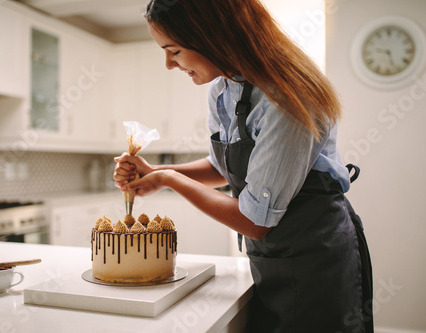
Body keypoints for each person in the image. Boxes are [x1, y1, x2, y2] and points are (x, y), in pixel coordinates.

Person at [114, 0, 373, 332]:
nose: (168, 64)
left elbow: (255, 220)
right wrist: (156, 174)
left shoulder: (288, 97)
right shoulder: (222, 89)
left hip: (315, 256)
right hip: (269, 255)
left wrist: (170, 178)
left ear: (213, 36)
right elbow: (223, 166)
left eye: (174, 51)